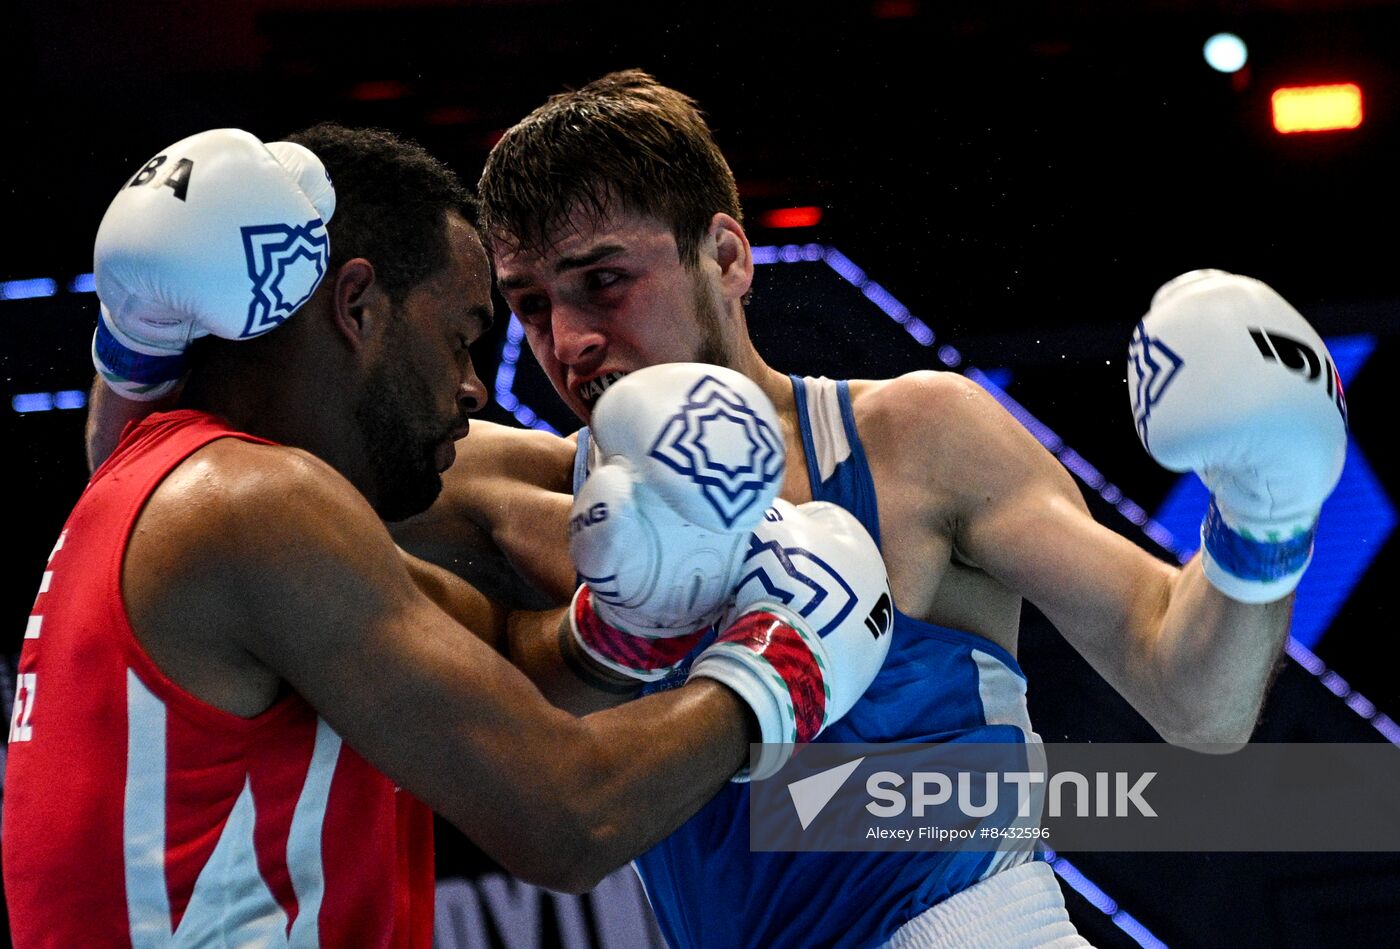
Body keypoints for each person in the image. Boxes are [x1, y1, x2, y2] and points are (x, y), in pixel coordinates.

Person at [394, 70, 1350, 947]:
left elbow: (1199, 699)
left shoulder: (913, 438)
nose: (568, 341)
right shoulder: (520, 496)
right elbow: (277, 467)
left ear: (725, 255)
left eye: (604, 280)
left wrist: (1267, 514)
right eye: (528, 304)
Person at [6, 123, 895, 948]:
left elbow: (502, 654)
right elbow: (570, 820)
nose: (476, 388)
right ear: (356, 306)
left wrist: (631, 623)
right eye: (463, 335)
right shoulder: (252, 502)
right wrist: (782, 665)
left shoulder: (178, 488)